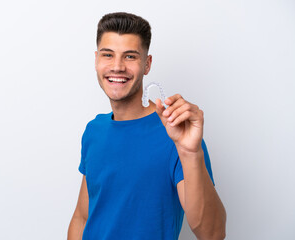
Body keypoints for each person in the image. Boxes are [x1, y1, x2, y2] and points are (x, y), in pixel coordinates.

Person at [68, 12, 226, 240]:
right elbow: (82, 218)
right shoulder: (94, 130)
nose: (117, 66)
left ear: (147, 64)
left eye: (130, 56)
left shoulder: (176, 134)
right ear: (96, 60)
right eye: (108, 55)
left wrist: (190, 153)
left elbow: (213, 234)